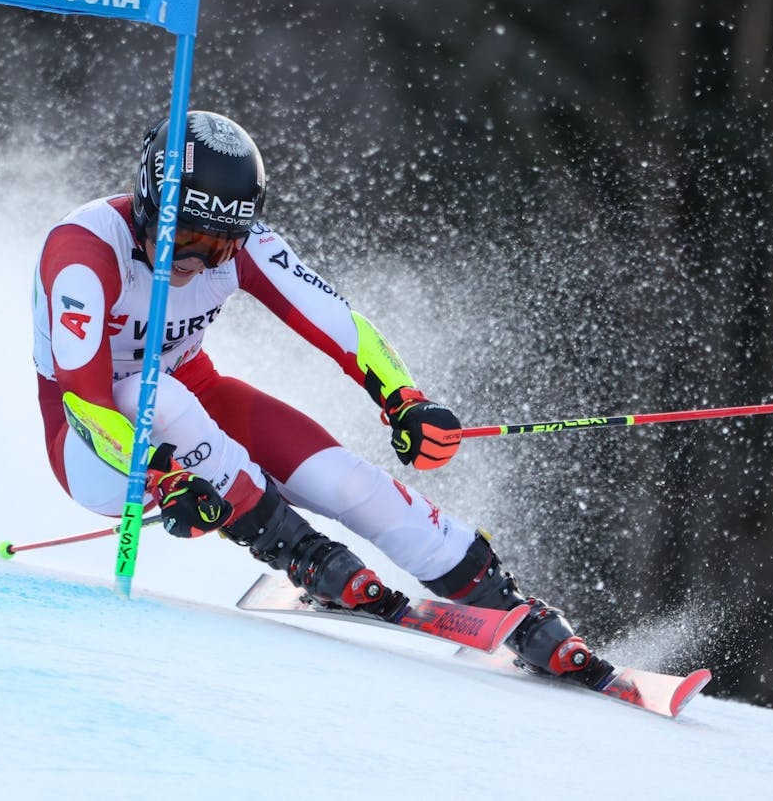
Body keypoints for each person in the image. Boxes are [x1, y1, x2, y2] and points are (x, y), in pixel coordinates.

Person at [30, 109, 613, 689]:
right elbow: (87, 402)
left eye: (220, 246)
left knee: (348, 481)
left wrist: (404, 400)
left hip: (191, 396)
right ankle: (303, 553)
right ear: (150, 202)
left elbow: (339, 324)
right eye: (185, 238)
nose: (198, 261)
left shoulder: (249, 244)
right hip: (94, 447)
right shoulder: (84, 252)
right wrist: (161, 478)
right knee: (149, 395)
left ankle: (509, 607)